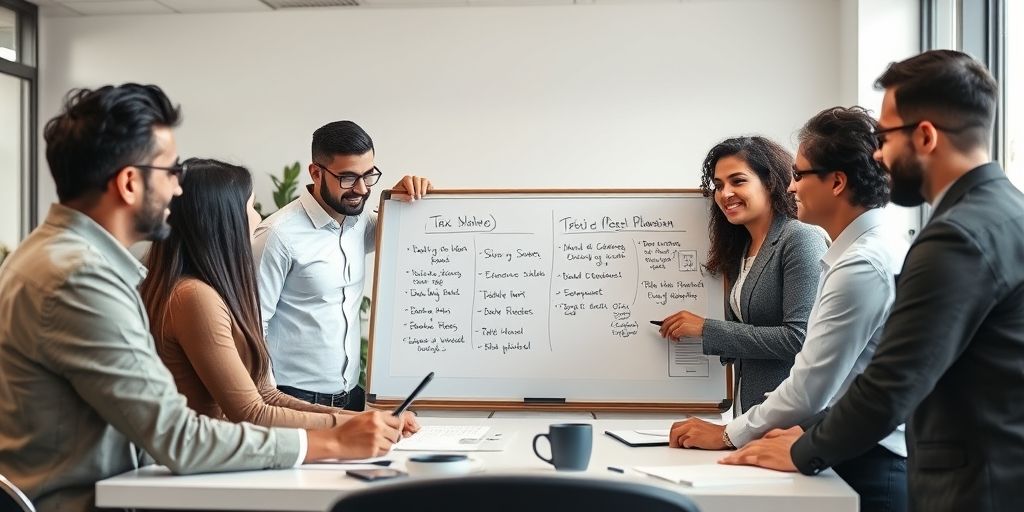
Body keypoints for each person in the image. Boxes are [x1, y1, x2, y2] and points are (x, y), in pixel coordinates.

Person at [0, 84, 406, 512]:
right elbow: (179, 437)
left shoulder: (58, 259)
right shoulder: (81, 279)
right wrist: (330, 441)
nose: (178, 191)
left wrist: (344, 427)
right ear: (129, 183)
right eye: (169, 172)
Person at [720, 50, 1024, 511]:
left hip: (974, 485)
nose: (878, 155)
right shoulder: (1006, 214)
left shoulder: (957, 236)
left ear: (924, 136)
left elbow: (892, 382)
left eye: (885, 137)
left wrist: (803, 448)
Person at [671, 107, 908, 511]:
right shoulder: (850, 252)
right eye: (718, 184)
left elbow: (809, 376)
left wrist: (729, 434)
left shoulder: (856, 261)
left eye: (799, 175)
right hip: (826, 439)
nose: (792, 187)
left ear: (836, 182)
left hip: (867, 458)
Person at [140, 158, 419, 434]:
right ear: (224, 220)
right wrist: (355, 423)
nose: (258, 217)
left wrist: (365, 419)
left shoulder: (204, 290)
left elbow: (266, 395)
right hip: (204, 463)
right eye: (250, 207)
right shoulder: (193, 297)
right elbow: (251, 412)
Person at [253, 121, 431, 410]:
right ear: (316, 172)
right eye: (348, 178)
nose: (361, 189)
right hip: (294, 401)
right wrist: (270, 406)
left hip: (352, 397)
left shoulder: (358, 221)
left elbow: (401, 229)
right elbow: (251, 326)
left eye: (369, 175)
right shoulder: (277, 235)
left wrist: (408, 194)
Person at [659, 136, 827, 414]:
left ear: (770, 182)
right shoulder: (741, 250)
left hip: (790, 416)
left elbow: (799, 337)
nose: (725, 194)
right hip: (748, 409)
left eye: (738, 181)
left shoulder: (800, 238)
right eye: (719, 185)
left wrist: (706, 329)